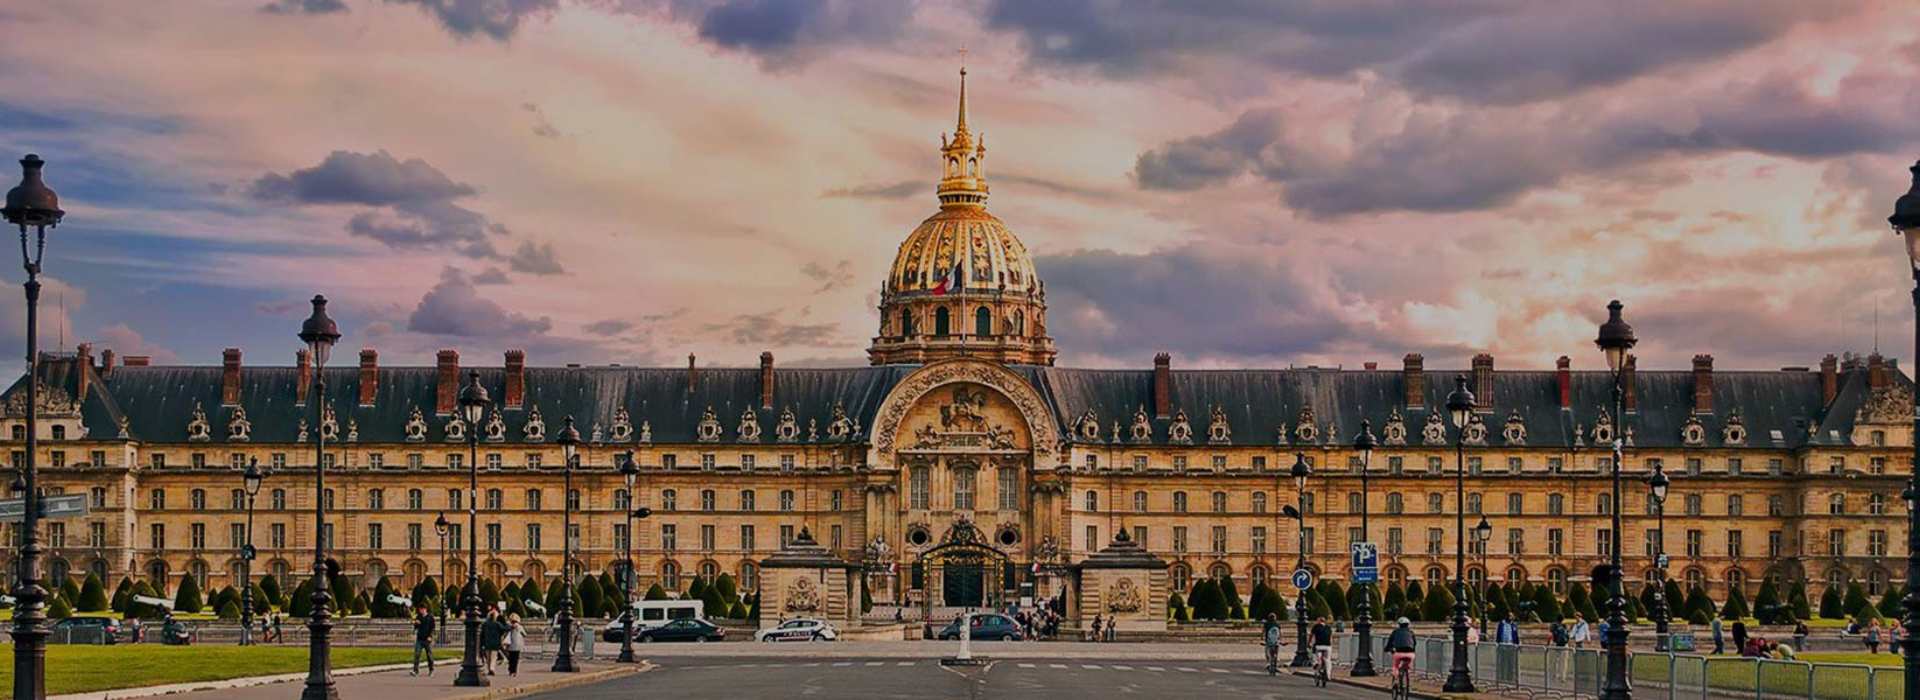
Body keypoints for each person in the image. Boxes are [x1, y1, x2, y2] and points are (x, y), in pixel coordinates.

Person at [1387, 618, 1417, 686]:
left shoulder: (1395, 632)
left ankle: (1396, 680)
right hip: (1410, 654)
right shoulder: (1411, 632)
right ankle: (1407, 678)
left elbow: (1389, 643)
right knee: (1407, 666)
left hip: (1399, 653)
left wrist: (1388, 649)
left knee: (1395, 666)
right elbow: (1414, 643)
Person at [411, 606, 436, 677]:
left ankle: (431, 670)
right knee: (417, 654)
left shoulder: (430, 617)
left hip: (427, 639)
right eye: (419, 610)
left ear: (425, 609)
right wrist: (416, 623)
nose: (420, 611)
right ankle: (415, 670)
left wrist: (430, 636)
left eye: (421, 609)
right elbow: (416, 627)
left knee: (429, 655)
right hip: (420, 639)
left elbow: (432, 628)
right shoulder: (418, 617)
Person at [481, 609, 506, 675]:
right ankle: (492, 668)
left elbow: (482, 633)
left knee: (488, 657)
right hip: (495, 642)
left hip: (487, 642)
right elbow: (503, 629)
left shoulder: (485, 624)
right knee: (493, 657)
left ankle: (489, 669)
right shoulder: (497, 623)